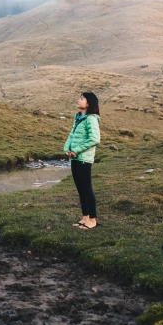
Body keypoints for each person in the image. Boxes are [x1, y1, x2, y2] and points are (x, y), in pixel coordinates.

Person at [64, 91, 101, 230]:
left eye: (81, 99)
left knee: (87, 188)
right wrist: (67, 149)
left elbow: (94, 139)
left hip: (84, 158)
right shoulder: (79, 117)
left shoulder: (91, 118)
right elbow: (71, 135)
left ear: (89, 103)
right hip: (75, 158)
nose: (78, 101)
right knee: (80, 189)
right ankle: (85, 217)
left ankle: (92, 219)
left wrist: (77, 150)